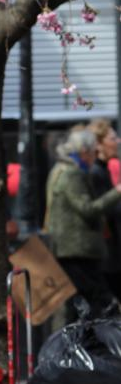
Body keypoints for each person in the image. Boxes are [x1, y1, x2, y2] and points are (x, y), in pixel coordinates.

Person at [45, 126, 121, 316]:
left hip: (70, 248)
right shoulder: (72, 173)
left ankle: (82, 340)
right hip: (77, 249)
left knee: (79, 302)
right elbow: (88, 209)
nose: (96, 155)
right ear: (84, 151)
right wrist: (117, 192)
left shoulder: (61, 169)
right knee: (95, 299)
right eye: (94, 151)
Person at [87, 119, 121, 299]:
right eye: (113, 138)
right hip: (106, 254)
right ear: (99, 144)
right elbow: (103, 209)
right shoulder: (95, 173)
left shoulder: (102, 170)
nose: (118, 141)